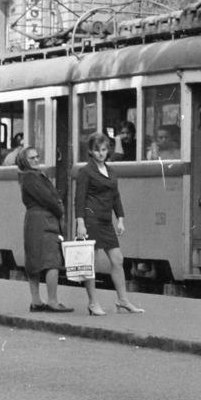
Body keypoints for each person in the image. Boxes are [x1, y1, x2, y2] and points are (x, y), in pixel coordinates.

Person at [73, 132, 143, 314]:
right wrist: (80, 223)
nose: (101, 153)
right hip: (90, 220)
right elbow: (79, 199)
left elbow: (115, 196)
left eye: (104, 150)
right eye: (97, 150)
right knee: (91, 261)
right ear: (90, 151)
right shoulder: (85, 172)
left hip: (105, 221)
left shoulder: (111, 171)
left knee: (117, 259)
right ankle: (93, 303)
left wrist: (120, 219)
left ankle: (123, 300)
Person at [16, 147, 72, 313]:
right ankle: (53, 301)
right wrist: (60, 210)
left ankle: (36, 302)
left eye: (37, 156)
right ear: (25, 161)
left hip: (34, 221)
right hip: (43, 221)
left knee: (34, 260)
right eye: (32, 158)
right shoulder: (31, 177)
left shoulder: (27, 176)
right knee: (51, 261)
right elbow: (48, 199)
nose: (36, 160)